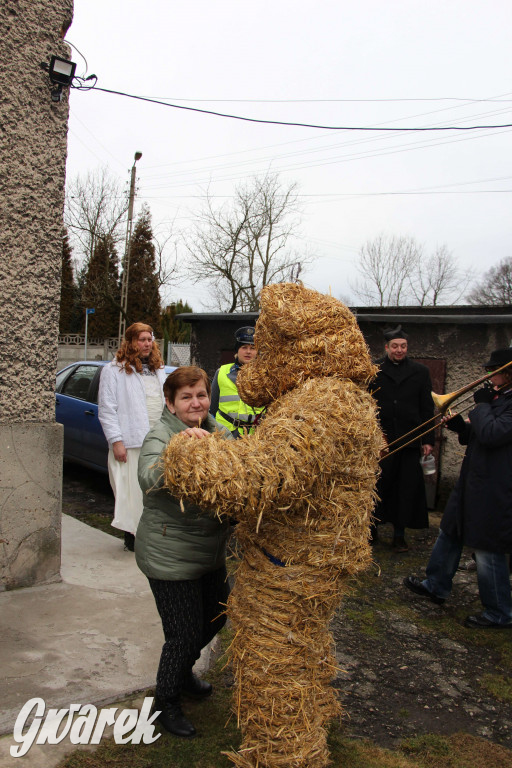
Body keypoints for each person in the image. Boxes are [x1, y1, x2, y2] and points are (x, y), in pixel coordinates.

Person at [135, 366, 233, 737]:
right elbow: (149, 477)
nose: (196, 403)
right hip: (169, 554)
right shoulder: (161, 435)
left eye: (201, 395)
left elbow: (240, 466)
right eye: (186, 397)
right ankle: (165, 703)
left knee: (217, 617)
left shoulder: (215, 431)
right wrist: (183, 451)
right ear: (171, 404)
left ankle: (183, 673)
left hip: (208, 552)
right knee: (183, 632)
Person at [404, 346, 512, 629]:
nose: (489, 375)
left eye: (495, 371)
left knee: (488, 548)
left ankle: (500, 612)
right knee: (450, 531)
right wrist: (459, 428)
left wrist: (483, 406)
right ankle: (436, 585)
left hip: (496, 486)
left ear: (509, 374)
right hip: (473, 480)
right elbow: (476, 437)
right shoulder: (499, 398)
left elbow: (492, 434)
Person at [98, 322, 166, 551]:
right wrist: (116, 441)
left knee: (156, 490)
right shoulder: (114, 370)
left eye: (149, 339)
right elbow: (107, 408)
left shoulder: (158, 369)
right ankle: (134, 538)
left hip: (158, 439)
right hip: (132, 441)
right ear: (130, 342)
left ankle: (154, 536)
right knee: (132, 492)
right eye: (141, 339)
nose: (147, 344)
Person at [369, 325, 434, 552]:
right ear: (386, 347)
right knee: (377, 485)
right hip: (381, 441)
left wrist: (427, 439)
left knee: (405, 488)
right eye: (395, 346)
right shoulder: (373, 370)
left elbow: (427, 408)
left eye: (403, 346)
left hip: (409, 439)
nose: (399, 350)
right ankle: (372, 529)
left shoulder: (420, 372)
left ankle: (399, 535)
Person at [210, 326, 264, 437]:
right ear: (237, 350)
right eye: (244, 347)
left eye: (252, 348)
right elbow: (212, 407)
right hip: (225, 433)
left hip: (255, 436)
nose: (248, 352)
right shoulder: (221, 372)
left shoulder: (265, 376)